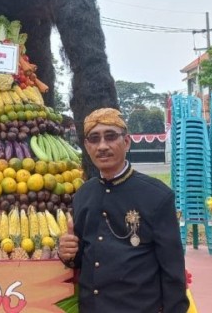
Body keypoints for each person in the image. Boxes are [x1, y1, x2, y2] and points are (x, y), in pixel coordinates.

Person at [58, 108, 188, 312]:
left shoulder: (157, 196)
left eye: (110, 137)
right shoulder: (83, 194)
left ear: (126, 142)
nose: (102, 146)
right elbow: (82, 258)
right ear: (86, 146)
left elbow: (173, 271)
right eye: (94, 138)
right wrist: (67, 252)